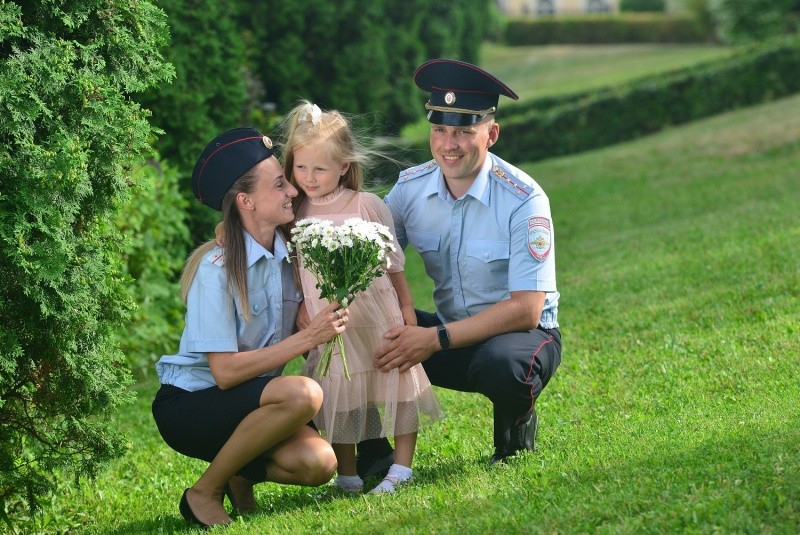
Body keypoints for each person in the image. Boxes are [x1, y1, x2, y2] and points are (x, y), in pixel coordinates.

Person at [359, 58, 562, 471]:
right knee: (361, 324)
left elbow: (527, 308)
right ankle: (372, 453)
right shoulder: (410, 189)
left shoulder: (524, 199)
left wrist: (433, 339)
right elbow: (369, 260)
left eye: (464, 132)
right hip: (451, 333)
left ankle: (515, 429)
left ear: (492, 133)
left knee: (500, 364)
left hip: (522, 335)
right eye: (440, 130)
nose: (449, 144)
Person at [152, 127, 348, 528]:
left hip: (252, 404)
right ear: (245, 201)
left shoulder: (290, 257)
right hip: (193, 405)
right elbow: (224, 374)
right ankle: (204, 492)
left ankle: (238, 468)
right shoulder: (216, 271)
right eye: (279, 185)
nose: (293, 191)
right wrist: (307, 337)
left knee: (319, 464)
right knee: (304, 394)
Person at [284, 101, 444, 494]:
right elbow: (293, 268)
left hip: (378, 314)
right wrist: (304, 304)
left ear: (343, 165)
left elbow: (394, 265)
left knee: (398, 383)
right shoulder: (294, 212)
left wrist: (407, 308)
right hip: (331, 321)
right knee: (341, 391)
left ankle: (401, 469)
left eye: (320, 169)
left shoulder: (366, 205)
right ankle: (349, 474)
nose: (309, 177)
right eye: (300, 167)